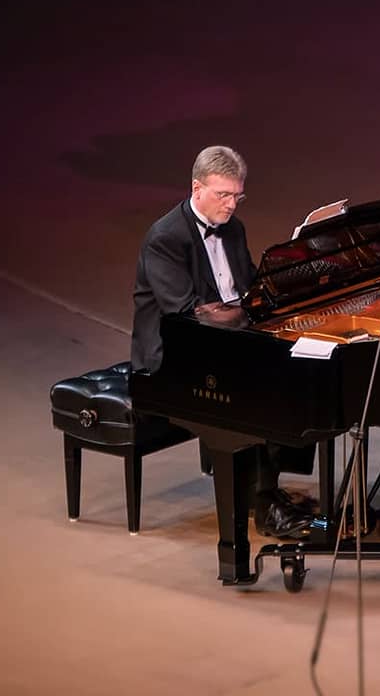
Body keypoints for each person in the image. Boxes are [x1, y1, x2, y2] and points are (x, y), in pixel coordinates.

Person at [130, 145, 313, 537]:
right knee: (260, 392)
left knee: (297, 373)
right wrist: (246, 316)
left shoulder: (234, 228)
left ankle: (268, 491)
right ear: (197, 188)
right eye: (223, 195)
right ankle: (264, 507)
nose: (231, 205)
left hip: (224, 340)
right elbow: (188, 315)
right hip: (171, 355)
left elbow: (247, 286)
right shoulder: (165, 239)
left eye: (237, 196)